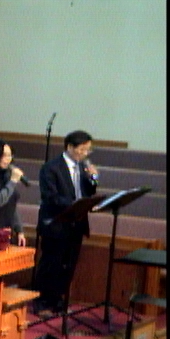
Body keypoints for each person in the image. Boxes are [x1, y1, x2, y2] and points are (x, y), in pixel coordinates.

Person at [33, 130, 99, 315]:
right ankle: (42, 301)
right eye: (82, 149)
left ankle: (57, 300)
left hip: (77, 224)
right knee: (51, 264)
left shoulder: (82, 167)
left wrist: (93, 178)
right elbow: (50, 197)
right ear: (70, 147)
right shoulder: (51, 168)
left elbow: (88, 192)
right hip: (56, 223)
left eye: (88, 150)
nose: (85, 154)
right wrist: (75, 205)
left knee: (69, 265)